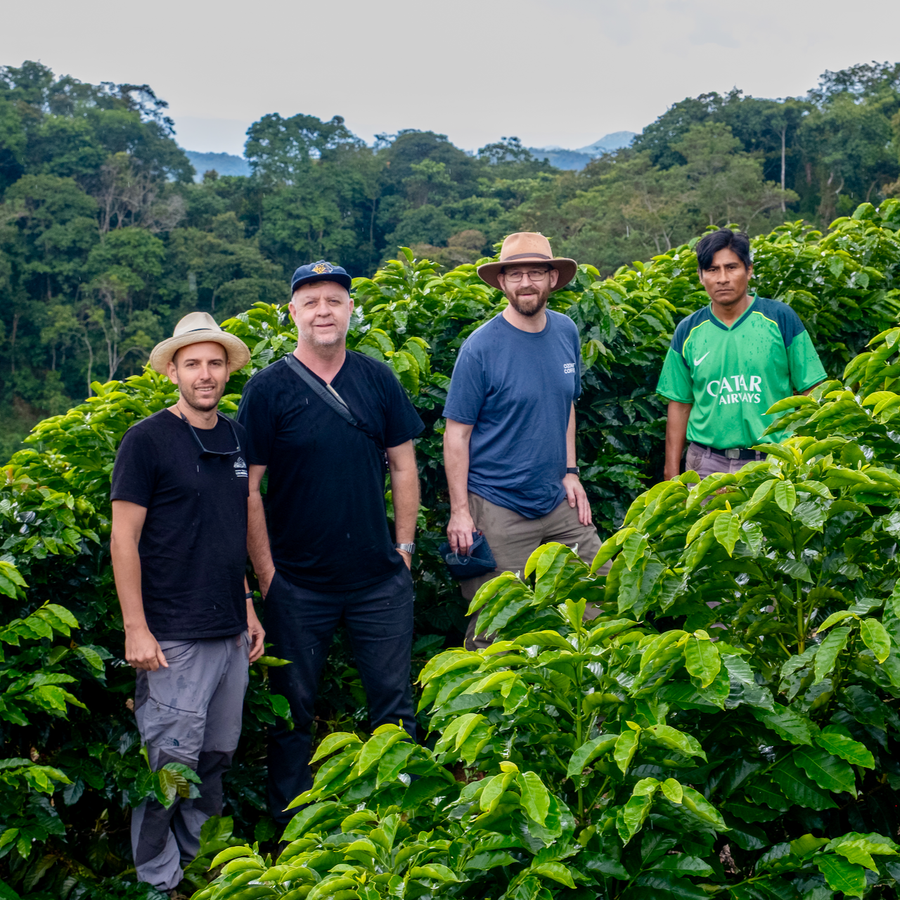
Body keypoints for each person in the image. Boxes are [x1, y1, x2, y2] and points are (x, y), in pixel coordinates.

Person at [236, 260, 424, 825]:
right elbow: (248, 490)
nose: (324, 310)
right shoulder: (267, 389)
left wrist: (405, 551)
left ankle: (404, 824)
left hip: (378, 581)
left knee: (394, 709)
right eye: (311, 301)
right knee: (292, 718)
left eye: (334, 300)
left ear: (350, 310)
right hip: (298, 584)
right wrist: (268, 577)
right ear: (292, 312)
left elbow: (405, 466)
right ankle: (289, 835)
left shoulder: (376, 377)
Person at [110, 312, 265, 895]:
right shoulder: (146, 440)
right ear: (173, 370)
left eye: (215, 363)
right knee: (170, 768)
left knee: (215, 762)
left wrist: (247, 607)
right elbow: (123, 537)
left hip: (227, 630)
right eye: (193, 363)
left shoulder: (235, 437)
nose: (205, 374)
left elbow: (230, 531)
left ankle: (197, 869)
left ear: (227, 372)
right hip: (172, 635)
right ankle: (158, 880)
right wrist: (136, 628)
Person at [443, 232, 602, 650]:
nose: (525, 282)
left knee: (599, 600)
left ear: (552, 278)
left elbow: (566, 404)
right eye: (515, 274)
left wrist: (571, 471)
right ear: (501, 283)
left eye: (535, 272)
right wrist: (460, 511)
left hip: (556, 501)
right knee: (495, 629)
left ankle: (591, 710)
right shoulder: (480, 348)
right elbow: (457, 434)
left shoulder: (566, 332)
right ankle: (485, 713)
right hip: (497, 506)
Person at [658, 228, 827, 480]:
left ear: (749, 270)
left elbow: (812, 391)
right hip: (704, 464)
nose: (722, 278)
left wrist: (808, 452)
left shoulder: (780, 318)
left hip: (773, 461)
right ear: (701, 276)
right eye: (712, 270)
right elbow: (680, 405)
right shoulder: (688, 331)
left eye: (731, 267)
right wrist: (671, 473)